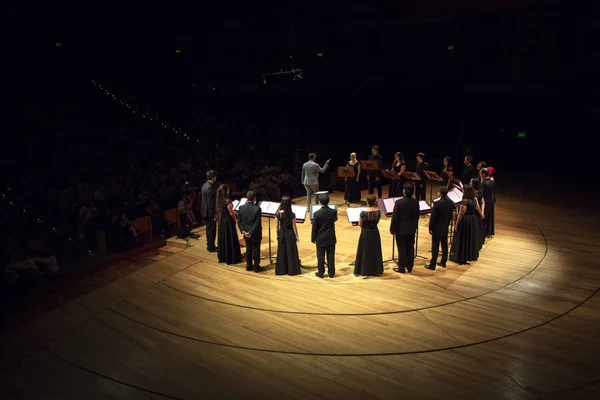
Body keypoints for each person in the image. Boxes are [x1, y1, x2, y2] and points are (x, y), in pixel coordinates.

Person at [450, 185, 484, 265]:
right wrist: (481, 214)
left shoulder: (464, 201)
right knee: (469, 238)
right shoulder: (474, 199)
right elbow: (478, 207)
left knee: (463, 238)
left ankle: (461, 257)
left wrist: (456, 224)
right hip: (472, 220)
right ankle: (468, 256)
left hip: (465, 221)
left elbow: (461, 214)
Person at [390, 183, 420, 274]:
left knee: (402, 248)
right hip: (411, 229)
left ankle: (402, 267)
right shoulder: (416, 202)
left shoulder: (398, 202)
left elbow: (395, 217)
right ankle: (410, 266)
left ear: (404, 191)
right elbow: (417, 216)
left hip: (401, 229)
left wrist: (392, 228)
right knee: (410, 247)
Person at [354, 195, 384, 277]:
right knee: (374, 251)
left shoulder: (363, 213)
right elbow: (377, 222)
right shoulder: (378, 212)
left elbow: (360, 224)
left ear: (367, 202)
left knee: (365, 250)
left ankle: (364, 269)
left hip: (365, 233)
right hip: (374, 232)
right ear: (375, 202)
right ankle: (375, 270)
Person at [426, 186, 454, 270]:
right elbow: (450, 216)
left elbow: (433, 217)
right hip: (445, 226)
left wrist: (430, 227)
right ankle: (443, 262)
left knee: (435, 246)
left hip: (436, 228)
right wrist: (447, 224)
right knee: (444, 245)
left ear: (440, 193)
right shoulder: (450, 202)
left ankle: (432, 265)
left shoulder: (437, 203)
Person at [237, 191, 265, 272]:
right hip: (254, 233)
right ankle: (256, 266)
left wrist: (243, 231)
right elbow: (257, 223)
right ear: (254, 198)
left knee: (248, 249)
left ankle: (248, 266)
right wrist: (250, 232)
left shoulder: (241, 208)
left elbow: (239, 221)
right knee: (256, 249)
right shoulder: (257, 209)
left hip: (245, 232)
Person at [311, 194, 337, 278]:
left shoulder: (317, 214)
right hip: (331, 237)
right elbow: (335, 219)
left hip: (320, 237)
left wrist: (313, 238)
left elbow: (314, 228)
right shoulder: (333, 211)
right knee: (331, 255)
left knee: (320, 256)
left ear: (320, 202)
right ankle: (331, 273)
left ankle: (321, 272)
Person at [275, 196, 302, 275]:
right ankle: (292, 270)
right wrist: (297, 236)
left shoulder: (278, 214)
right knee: (291, 252)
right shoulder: (292, 214)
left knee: (282, 252)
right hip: (290, 234)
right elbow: (294, 226)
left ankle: (282, 270)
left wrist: (278, 235)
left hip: (282, 233)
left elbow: (277, 227)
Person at [216, 184, 242, 265]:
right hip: (227, 221)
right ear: (226, 190)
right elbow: (231, 213)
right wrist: (235, 221)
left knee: (224, 237)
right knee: (230, 237)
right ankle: (232, 257)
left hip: (221, 220)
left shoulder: (218, 199)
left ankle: (224, 256)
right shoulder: (227, 200)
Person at [201, 170, 218, 252]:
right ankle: (211, 246)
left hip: (204, 211)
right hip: (210, 212)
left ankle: (209, 244)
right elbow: (211, 202)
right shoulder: (210, 187)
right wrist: (214, 214)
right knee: (212, 229)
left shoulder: (204, 185)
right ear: (213, 178)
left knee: (208, 229)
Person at [471, 177, 486, 248]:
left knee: (474, 229)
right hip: (479, 213)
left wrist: (480, 213)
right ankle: (478, 244)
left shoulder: (473, 193)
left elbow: (477, 206)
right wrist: (482, 213)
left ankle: (474, 246)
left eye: (471, 182)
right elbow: (483, 202)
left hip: (475, 212)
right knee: (478, 228)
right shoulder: (480, 191)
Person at [481, 168, 495, 237]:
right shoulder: (491, 181)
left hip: (485, 201)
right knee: (488, 217)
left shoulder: (484, 183)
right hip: (490, 201)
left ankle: (483, 234)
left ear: (483, 174)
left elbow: (482, 194)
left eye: (481, 174)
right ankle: (487, 232)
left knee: (484, 218)